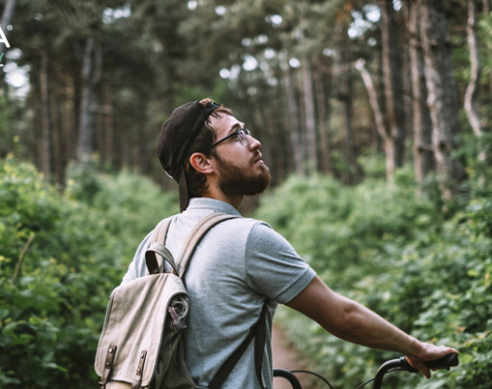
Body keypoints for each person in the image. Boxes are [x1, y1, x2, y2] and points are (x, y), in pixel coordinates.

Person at [122, 98, 457, 388]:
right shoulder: (247, 238)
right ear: (202, 163)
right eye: (237, 135)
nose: (254, 142)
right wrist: (416, 347)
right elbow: (342, 316)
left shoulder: (154, 239)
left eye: (247, 131)